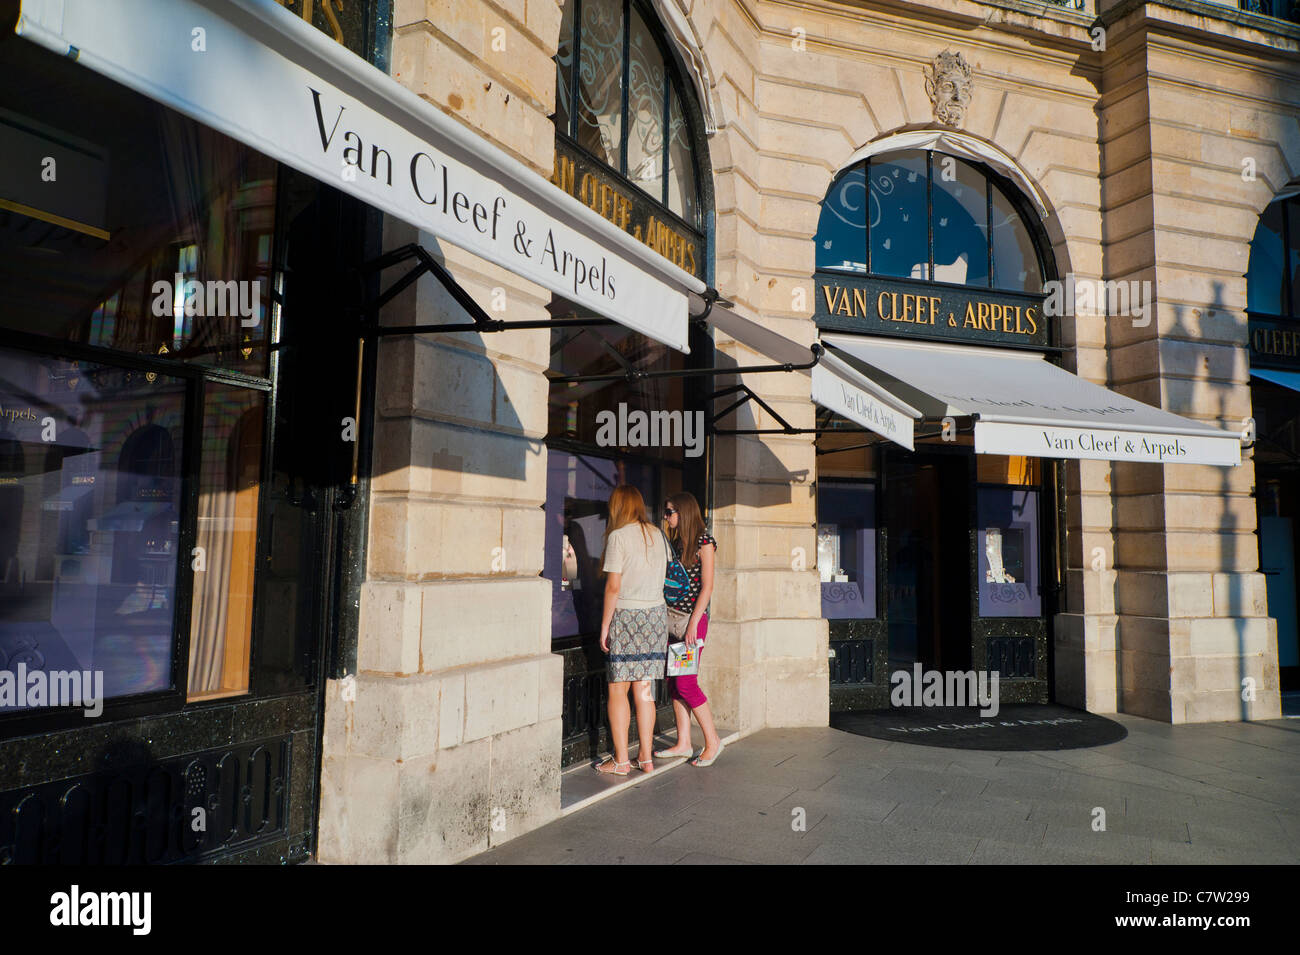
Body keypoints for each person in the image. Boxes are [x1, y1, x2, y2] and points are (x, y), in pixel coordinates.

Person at [596, 484, 669, 775]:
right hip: (655, 617)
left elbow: (613, 587)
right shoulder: (659, 535)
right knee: (645, 689)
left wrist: (604, 627)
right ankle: (647, 758)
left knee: (617, 689)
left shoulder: (617, 537)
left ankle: (622, 761)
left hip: (627, 616)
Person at [653, 492, 723, 767]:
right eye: (666, 512)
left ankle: (713, 741)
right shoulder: (675, 543)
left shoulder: (704, 541)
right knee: (674, 682)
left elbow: (707, 586)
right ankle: (683, 742)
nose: (666, 517)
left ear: (684, 512)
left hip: (691, 624)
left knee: (686, 682)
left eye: (671, 512)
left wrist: (694, 623)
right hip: (672, 620)